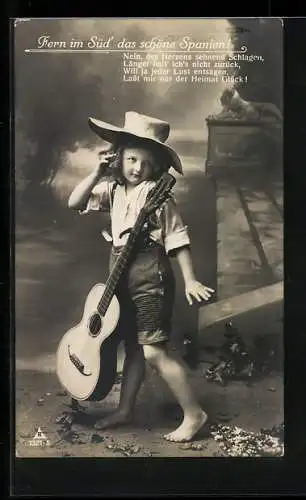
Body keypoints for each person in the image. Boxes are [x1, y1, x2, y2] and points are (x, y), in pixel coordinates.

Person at [68, 111, 214, 442]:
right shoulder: (115, 190)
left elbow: (178, 239)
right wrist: (96, 172)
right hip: (120, 280)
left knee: (154, 352)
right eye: (131, 159)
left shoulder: (157, 197)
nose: (137, 168)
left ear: (158, 167)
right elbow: (74, 202)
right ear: (119, 159)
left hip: (152, 281)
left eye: (146, 163)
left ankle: (194, 413)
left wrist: (190, 279)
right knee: (133, 348)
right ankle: (125, 409)